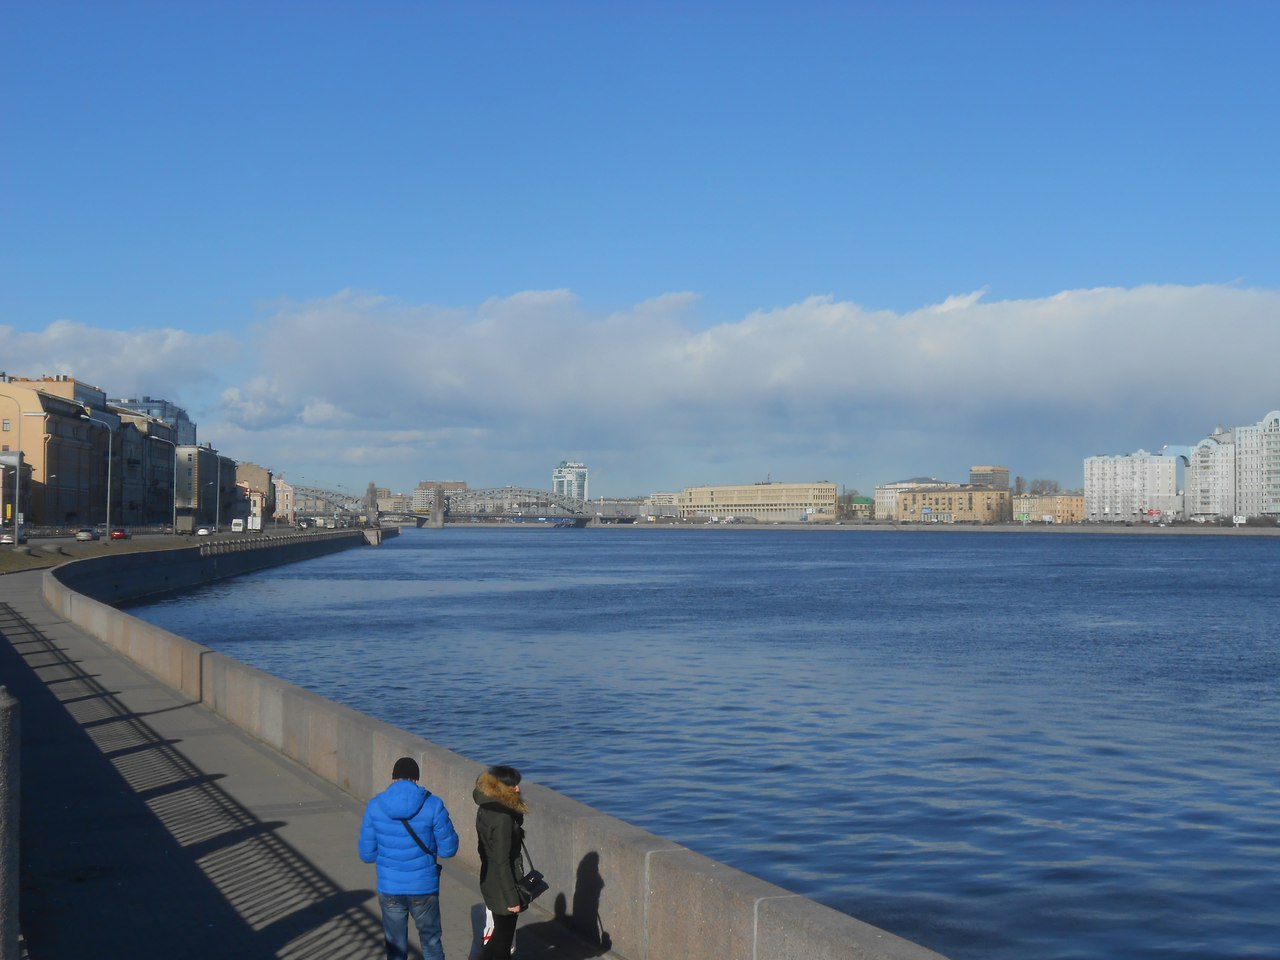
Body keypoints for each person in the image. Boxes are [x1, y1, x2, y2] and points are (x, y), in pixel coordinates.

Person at [359, 757, 460, 960]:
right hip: (424, 887)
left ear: (393, 778)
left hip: (390, 887)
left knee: (395, 948)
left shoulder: (375, 806)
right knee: (431, 943)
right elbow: (448, 850)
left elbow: (367, 855)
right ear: (416, 778)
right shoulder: (433, 804)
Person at [473, 764, 530, 960]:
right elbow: (502, 861)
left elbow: (483, 849)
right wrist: (512, 898)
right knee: (502, 943)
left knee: (499, 938)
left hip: (491, 880)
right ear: (501, 788)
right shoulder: (503, 818)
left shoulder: (485, 808)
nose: (518, 788)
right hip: (504, 887)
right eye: (513, 785)